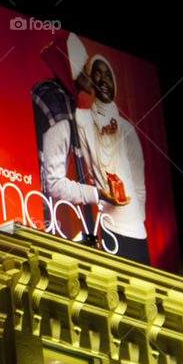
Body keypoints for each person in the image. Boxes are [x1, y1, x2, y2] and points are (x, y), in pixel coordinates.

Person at [33, 32, 127, 237]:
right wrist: (98, 194)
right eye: (86, 69)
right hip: (37, 215)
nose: (93, 78)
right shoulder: (60, 113)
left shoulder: (46, 91)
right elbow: (55, 184)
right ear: (74, 71)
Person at [75, 54, 150, 264]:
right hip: (108, 223)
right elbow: (88, 170)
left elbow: (139, 183)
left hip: (135, 226)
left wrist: (135, 216)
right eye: (96, 73)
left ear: (114, 83)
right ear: (91, 79)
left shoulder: (127, 129)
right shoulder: (83, 120)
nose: (102, 80)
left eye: (107, 75)